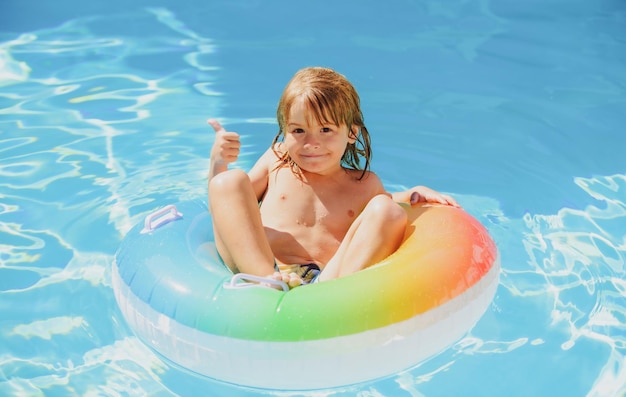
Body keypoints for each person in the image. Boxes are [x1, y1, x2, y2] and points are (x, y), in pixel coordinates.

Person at [208, 67, 458, 289]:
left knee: (388, 211)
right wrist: (218, 162)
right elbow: (228, 208)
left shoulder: (363, 185)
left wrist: (414, 195)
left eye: (325, 129)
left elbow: (384, 205)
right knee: (228, 181)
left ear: (351, 133)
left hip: (326, 282)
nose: (311, 143)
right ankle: (266, 283)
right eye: (298, 130)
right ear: (285, 132)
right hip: (266, 269)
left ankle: (333, 297)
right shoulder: (277, 161)